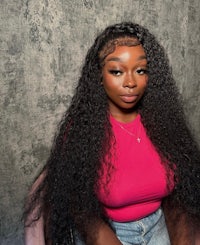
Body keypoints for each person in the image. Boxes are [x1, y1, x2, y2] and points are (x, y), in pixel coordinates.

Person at [24, 22, 200, 245]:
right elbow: (79, 207)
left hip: (157, 227)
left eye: (140, 70)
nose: (130, 82)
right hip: (112, 233)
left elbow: (184, 194)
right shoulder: (84, 131)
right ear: (99, 75)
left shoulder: (164, 123)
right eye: (116, 71)